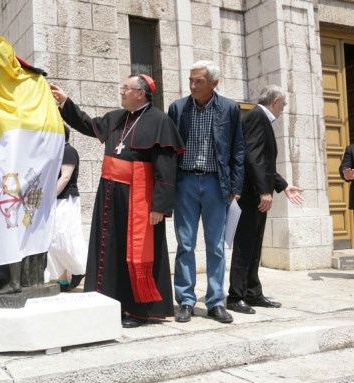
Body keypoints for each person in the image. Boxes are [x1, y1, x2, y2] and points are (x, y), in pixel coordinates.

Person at [50, 74, 185, 328]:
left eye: (126, 88)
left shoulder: (160, 122)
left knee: (135, 253)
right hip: (110, 195)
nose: (121, 91)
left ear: (141, 94)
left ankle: (139, 311)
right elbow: (88, 125)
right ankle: (109, 302)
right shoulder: (117, 118)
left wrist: (160, 207)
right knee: (110, 249)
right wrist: (66, 102)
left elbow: (166, 170)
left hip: (139, 198)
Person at [168, 60, 245, 324]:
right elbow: (168, 150)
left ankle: (215, 302)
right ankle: (186, 301)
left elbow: (238, 150)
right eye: (190, 80)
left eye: (198, 81)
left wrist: (236, 188)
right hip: (185, 183)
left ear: (214, 83)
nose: (192, 85)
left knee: (215, 246)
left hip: (216, 184)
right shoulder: (178, 109)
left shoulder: (230, 109)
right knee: (185, 244)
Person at [227, 86, 304, 313]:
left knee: (255, 244)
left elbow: (264, 163)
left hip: (256, 194)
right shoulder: (257, 117)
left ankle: (252, 292)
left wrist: (284, 186)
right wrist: (264, 191)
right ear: (276, 101)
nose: (284, 109)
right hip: (250, 196)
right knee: (245, 245)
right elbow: (253, 156)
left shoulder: (259, 118)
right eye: (284, 104)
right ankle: (235, 296)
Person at [45, 124, 87, 292]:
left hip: (65, 200)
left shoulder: (68, 151)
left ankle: (80, 269)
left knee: (63, 238)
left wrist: (48, 197)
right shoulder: (56, 153)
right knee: (54, 241)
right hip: (56, 200)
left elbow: (65, 177)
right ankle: (63, 280)